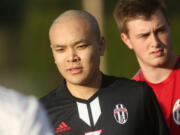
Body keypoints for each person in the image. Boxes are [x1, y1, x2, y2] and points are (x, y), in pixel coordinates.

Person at [40, 9, 169, 135]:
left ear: (101, 45)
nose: (71, 57)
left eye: (81, 46)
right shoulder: (41, 113)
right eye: (61, 50)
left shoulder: (137, 95)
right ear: (53, 54)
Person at [113, 0, 180, 134]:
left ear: (169, 24)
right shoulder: (128, 99)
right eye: (144, 35)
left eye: (160, 30)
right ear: (126, 40)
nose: (155, 42)